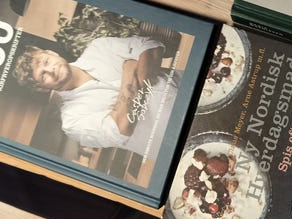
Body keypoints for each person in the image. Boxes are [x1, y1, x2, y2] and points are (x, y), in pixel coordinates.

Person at [14, 36, 181, 159]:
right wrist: (130, 68)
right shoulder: (72, 121)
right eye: (43, 76)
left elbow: (152, 48)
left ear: (52, 52)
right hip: (178, 143)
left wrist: (121, 106)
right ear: (42, 88)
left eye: (46, 61)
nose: (50, 70)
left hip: (190, 89)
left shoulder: (99, 47)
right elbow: (123, 127)